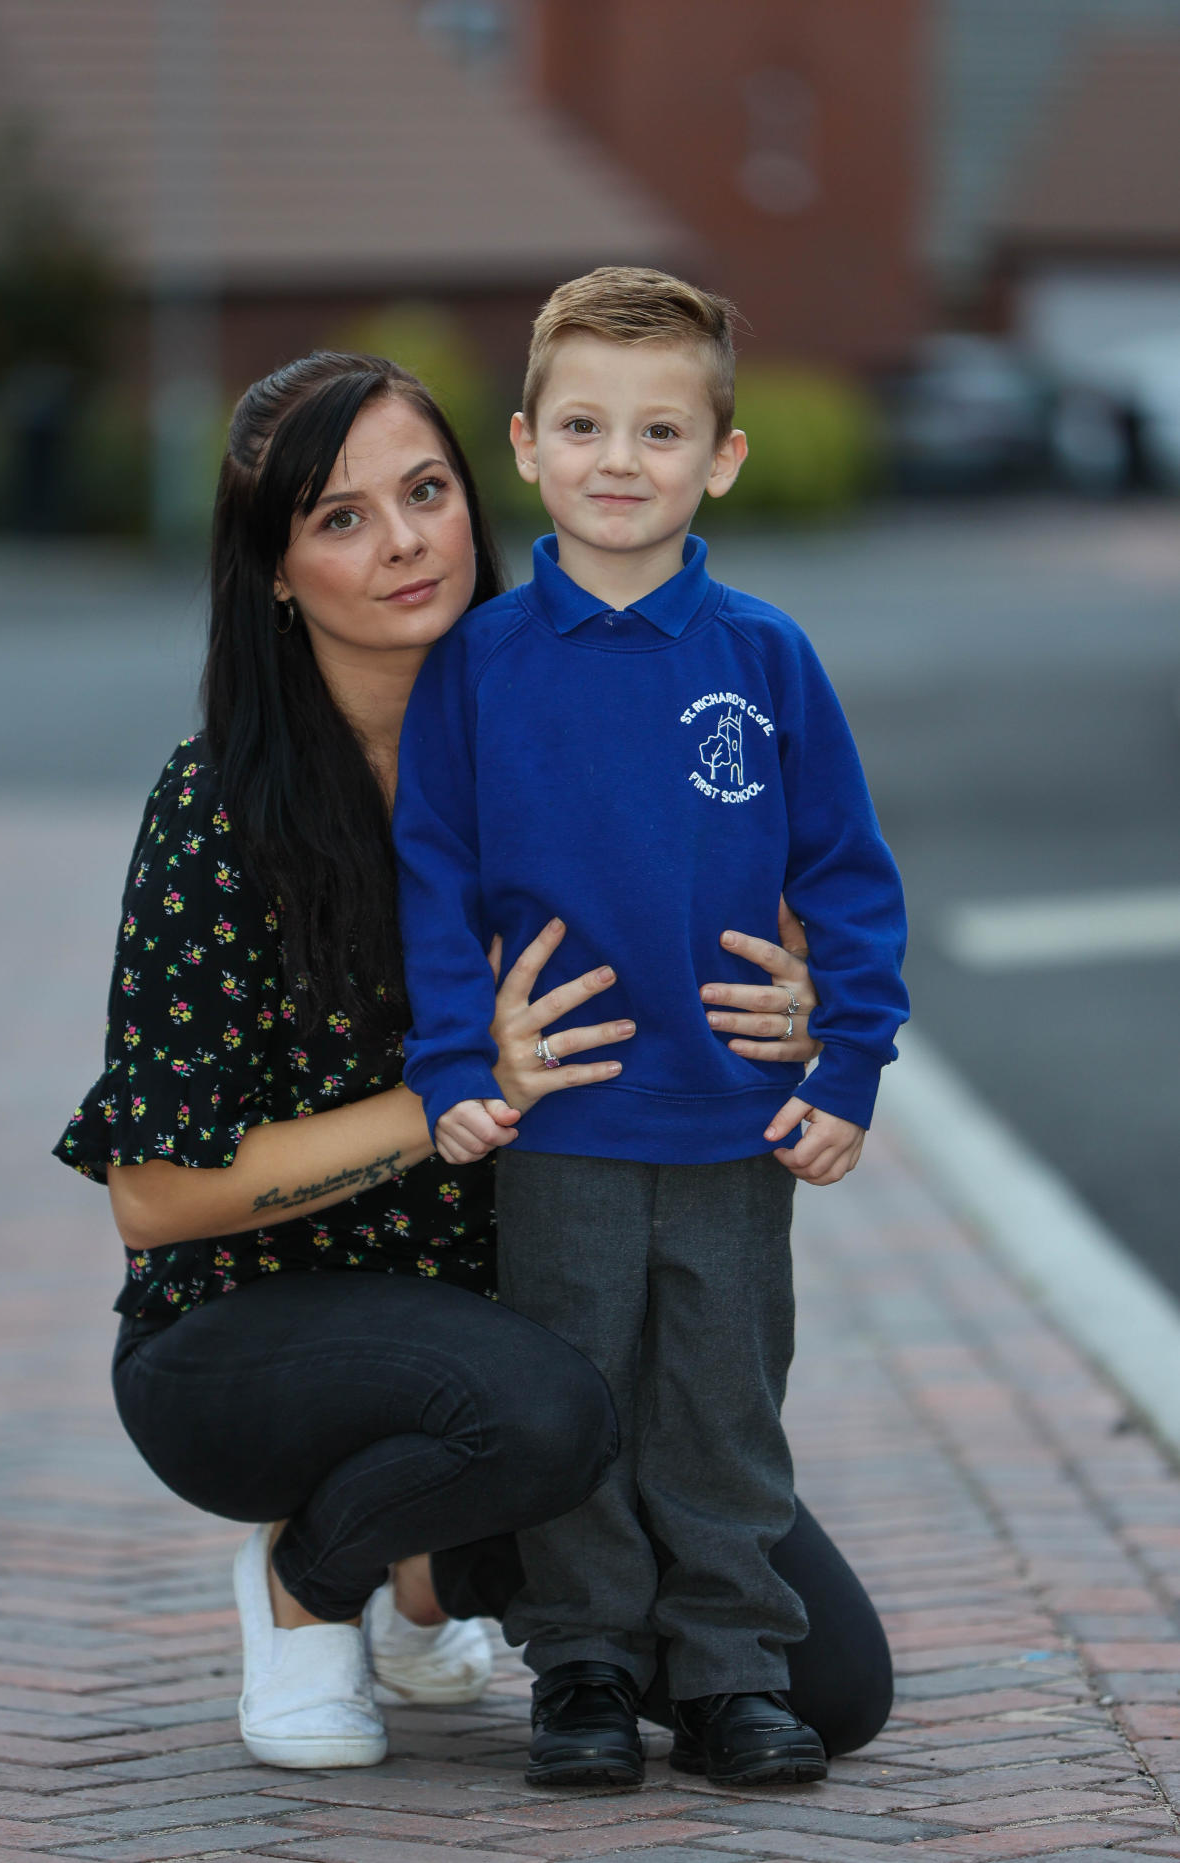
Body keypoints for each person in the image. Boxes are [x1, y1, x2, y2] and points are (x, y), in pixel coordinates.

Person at [54, 347, 893, 1778]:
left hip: (533, 1306)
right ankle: (308, 1579)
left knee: (829, 1690)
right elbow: (154, 1199)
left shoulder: (563, 707)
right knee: (549, 1412)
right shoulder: (219, 811)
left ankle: (426, 1579)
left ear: (476, 491)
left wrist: (801, 1002)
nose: (402, 545)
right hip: (260, 1335)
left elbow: (762, 870)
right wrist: (448, 1093)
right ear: (272, 570)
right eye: (338, 517)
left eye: (425, 492)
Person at [393, 269, 909, 1790]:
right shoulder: (478, 667)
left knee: (720, 1404)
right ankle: (589, 1673)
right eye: (585, 426)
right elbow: (434, 878)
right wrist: (447, 1065)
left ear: (720, 457)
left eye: (661, 429)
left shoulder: (765, 660)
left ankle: (735, 1671)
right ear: (526, 446)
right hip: (558, 1127)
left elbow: (849, 875)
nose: (620, 460)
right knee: (579, 1398)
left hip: (732, 1124)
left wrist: (851, 1061)